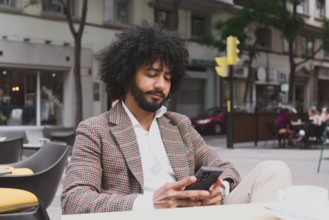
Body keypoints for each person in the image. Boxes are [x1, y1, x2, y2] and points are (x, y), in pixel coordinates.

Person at [61, 21, 292, 214]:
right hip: (143, 216)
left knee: (274, 169)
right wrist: (149, 203)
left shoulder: (178, 125)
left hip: (197, 213)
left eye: (168, 77)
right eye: (151, 74)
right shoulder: (95, 130)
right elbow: (74, 199)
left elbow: (225, 167)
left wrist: (219, 191)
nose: (161, 85)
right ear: (126, 75)